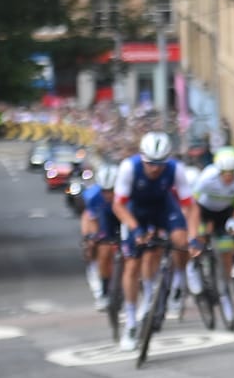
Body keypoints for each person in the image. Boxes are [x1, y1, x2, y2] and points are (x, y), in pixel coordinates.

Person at [111, 132, 199, 351]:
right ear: (142, 158)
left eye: (160, 164)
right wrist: (136, 229)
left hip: (163, 208)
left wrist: (194, 237)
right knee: (132, 265)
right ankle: (131, 322)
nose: (155, 169)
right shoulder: (129, 168)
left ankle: (178, 282)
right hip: (135, 213)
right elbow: (118, 206)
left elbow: (190, 205)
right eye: (150, 163)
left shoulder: (175, 169)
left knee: (181, 239)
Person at [189, 149, 234, 320]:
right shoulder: (207, 178)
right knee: (198, 241)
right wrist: (195, 234)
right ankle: (194, 269)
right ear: (219, 171)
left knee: (226, 250)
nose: (228, 177)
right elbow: (193, 206)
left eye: (231, 174)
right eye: (224, 174)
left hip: (225, 213)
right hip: (203, 210)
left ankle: (224, 287)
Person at [79, 163, 121, 311]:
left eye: (111, 191)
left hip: (124, 218)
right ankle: (103, 291)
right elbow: (91, 219)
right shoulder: (92, 196)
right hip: (105, 220)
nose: (108, 194)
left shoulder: (127, 193)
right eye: (104, 191)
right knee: (103, 251)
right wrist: (92, 237)